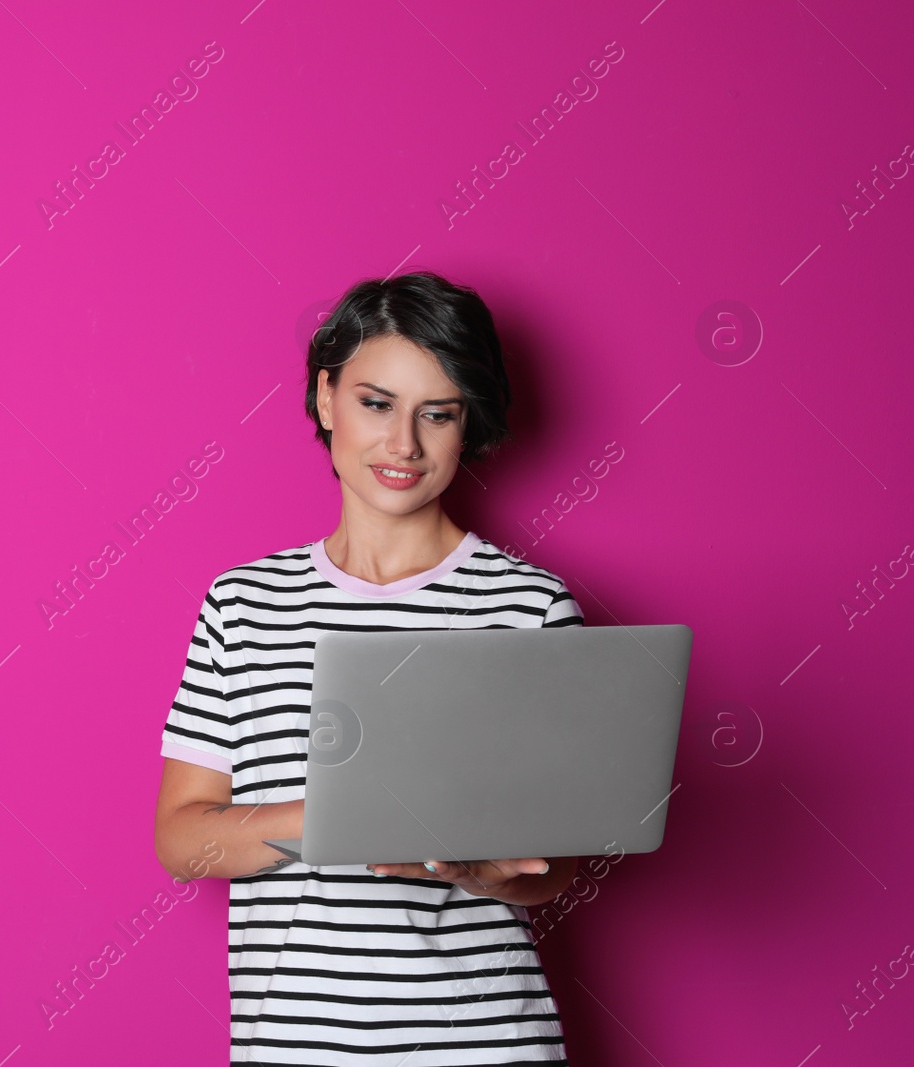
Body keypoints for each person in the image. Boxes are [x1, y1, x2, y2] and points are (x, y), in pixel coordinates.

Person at [154, 271, 589, 1065]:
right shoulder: (243, 603)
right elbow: (184, 841)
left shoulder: (529, 606)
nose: (403, 445)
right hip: (292, 1046)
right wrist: (352, 808)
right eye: (376, 402)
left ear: (469, 425)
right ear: (327, 400)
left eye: (438, 413)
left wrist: (485, 872)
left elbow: (552, 865)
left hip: (487, 1044)